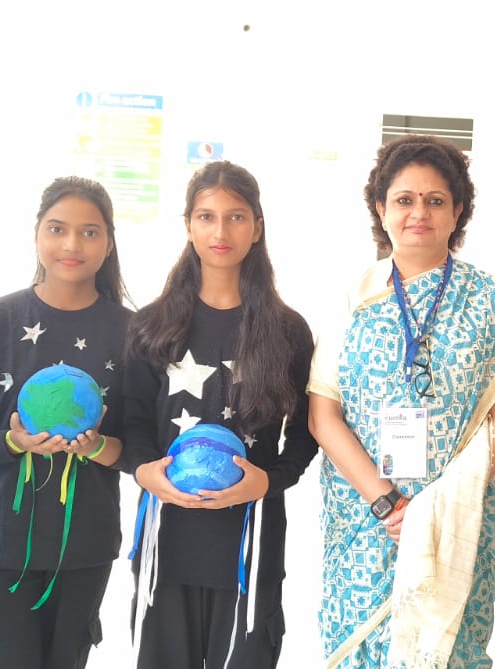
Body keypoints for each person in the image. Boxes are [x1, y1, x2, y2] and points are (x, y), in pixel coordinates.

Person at [309, 134, 495, 668]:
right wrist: (387, 503)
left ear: (457, 211)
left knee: (451, 650)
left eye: (435, 200)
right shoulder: (350, 300)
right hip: (365, 519)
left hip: (458, 519)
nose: (419, 212)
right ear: (381, 208)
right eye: (404, 199)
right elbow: (324, 416)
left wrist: (436, 508)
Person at [117, 160, 317, 668]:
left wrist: (268, 482)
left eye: (236, 217)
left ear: (257, 227)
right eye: (207, 217)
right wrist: (143, 472)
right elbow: (133, 423)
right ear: (188, 225)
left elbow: (306, 435)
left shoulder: (288, 331)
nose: (220, 232)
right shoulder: (151, 326)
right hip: (168, 538)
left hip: (249, 540)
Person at [0, 176, 132, 668]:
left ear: (109, 243)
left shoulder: (132, 333)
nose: (72, 245)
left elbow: (140, 447)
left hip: (83, 547)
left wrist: (97, 447)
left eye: (89, 232)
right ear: (36, 234)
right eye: (57, 229)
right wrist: (12, 443)